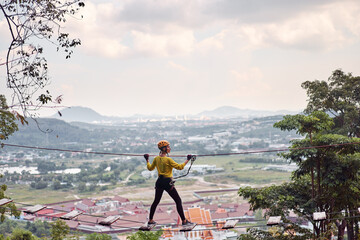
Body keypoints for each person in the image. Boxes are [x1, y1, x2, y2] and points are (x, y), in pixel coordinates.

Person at [144, 140, 194, 226]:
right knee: (178, 201)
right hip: (167, 182)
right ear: (164, 149)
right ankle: (184, 221)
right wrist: (187, 160)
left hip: (159, 182)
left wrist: (147, 160)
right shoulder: (168, 160)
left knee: (156, 201)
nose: (169, 148)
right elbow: (180, 167)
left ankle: (150, 220)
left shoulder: (156, 158)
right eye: (168, 147)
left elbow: (150, 168)